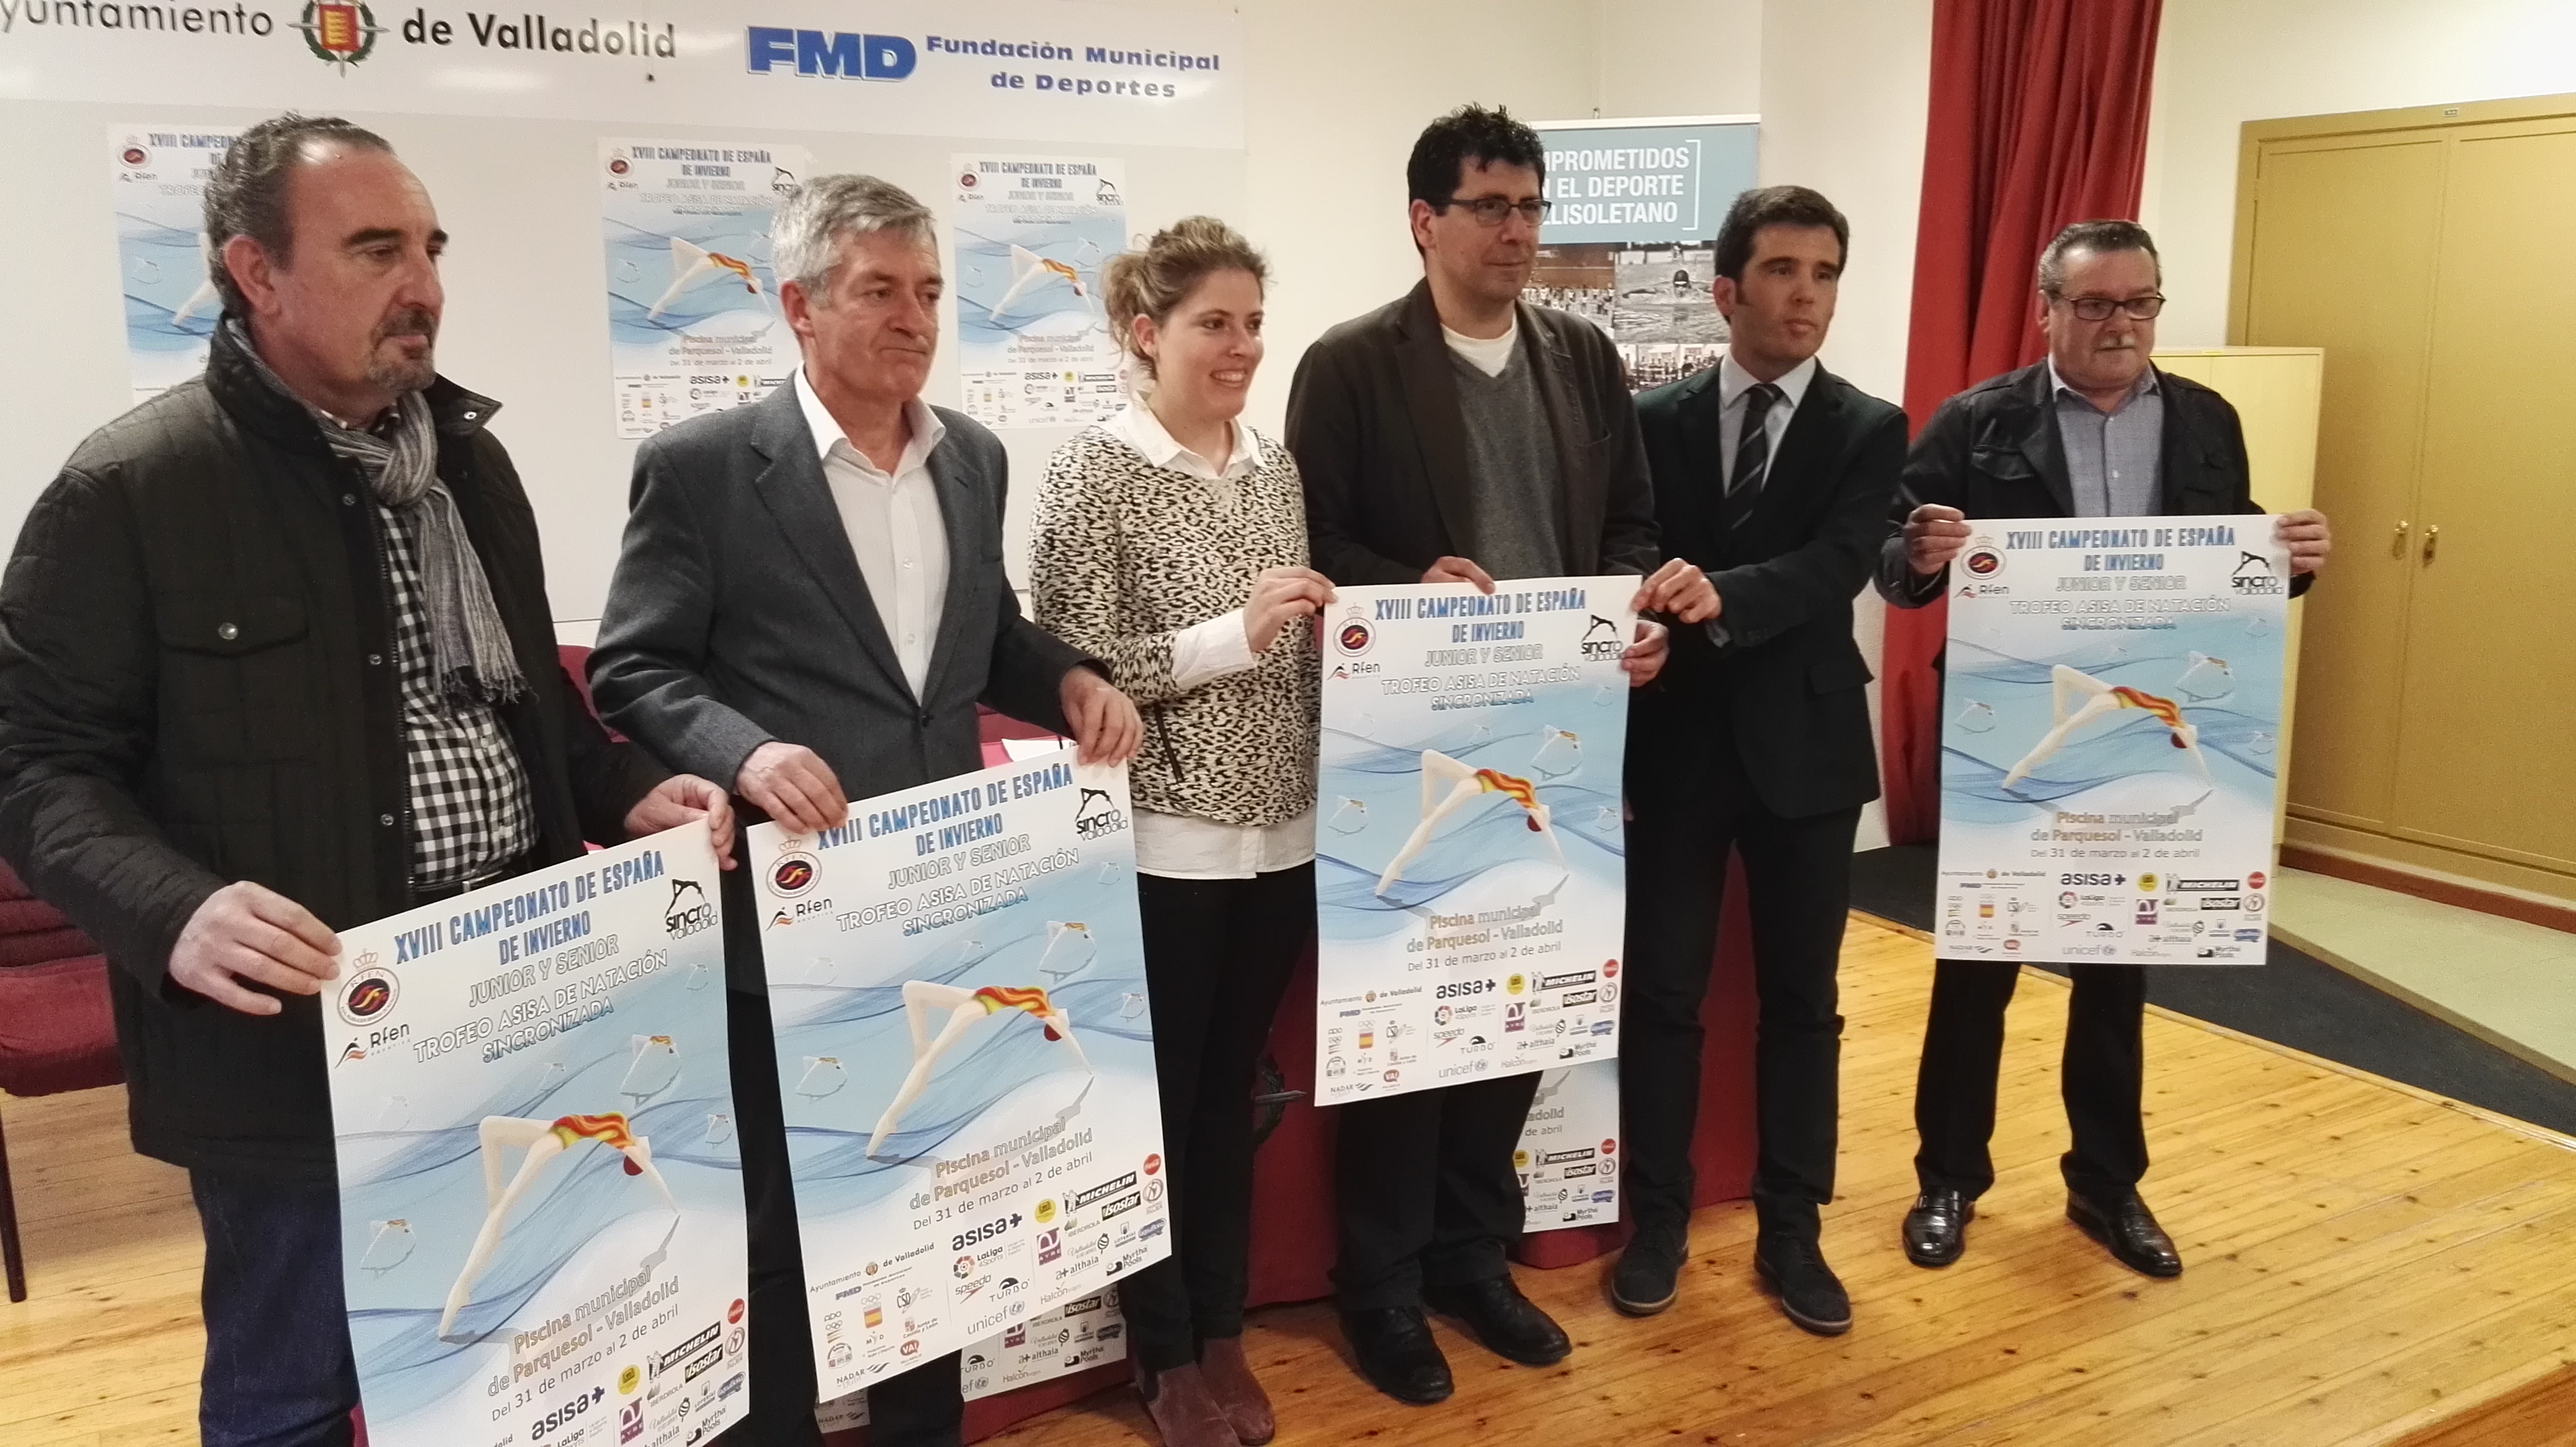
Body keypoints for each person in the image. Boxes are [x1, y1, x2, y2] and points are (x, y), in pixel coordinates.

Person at [0, 113, 733, 1447]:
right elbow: (35, 765)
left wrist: (626, 789)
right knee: (293, 1386)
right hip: (297, 1041)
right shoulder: (133, 489)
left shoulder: (471, 468)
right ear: (256, 273)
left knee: (519, 1341)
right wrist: (172, 909)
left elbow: (530, 714)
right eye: (377, 249)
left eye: (432, 249)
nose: (424, 285)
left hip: (515, 996)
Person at [588, 174, 1141, 1447]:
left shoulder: (973, 458)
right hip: (788, 917)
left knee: (929, 1197)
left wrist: (1066, 678)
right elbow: (634, 667)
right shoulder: (703, 469)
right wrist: (743, 752)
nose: (915, 319)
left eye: (930, 292)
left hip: (942, 905)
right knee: (783, 1223)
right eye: (880, 291)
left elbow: (982, 638)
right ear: (799, 306)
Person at [1284, 103, 1717, 1407]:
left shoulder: (1582, 358)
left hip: (1555, 743)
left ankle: (1473, 1258)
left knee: (1512, 1007)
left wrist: (1636, 618)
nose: (1518, 231)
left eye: (1531, 206)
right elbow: (1314, 542)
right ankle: (1380, 1285)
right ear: (1425, 221)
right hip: (1409, 750)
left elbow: (1629, 525)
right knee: (1411, 1027)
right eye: (1491, 207)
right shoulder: (1349, 365)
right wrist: (1403, 582)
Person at [1882, 218, 2334, 1280]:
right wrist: (1921, 553)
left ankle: (2106, 1183)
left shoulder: (2206, 419)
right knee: (1978, 965)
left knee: (2117, 963)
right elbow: (1895, 559)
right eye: (2093, 304)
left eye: (2139, 303)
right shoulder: (1978, 421)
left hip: (2142, 727)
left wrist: (2292, 557)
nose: (2119, 324)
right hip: (2013, 731)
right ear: (2047, 309)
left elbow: (2228, 556)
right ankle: (1948, 1179)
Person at [1029, 216, 1326, 1447]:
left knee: (1231, 1097)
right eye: (1214, 323)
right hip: (1165, 841)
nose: (1241, 345)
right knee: (1158, 1104)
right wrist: (1229, 636)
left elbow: (1297, 646)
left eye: (1253, 322)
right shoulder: (1093, 469)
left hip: (1284, 833)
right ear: (1145, 333)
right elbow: (1069, 666)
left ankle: (1218, 1325)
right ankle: (1162, 1352)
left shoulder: (1275, 465)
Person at [1613, 186, 1907, 1336]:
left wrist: (1718, 594)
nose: (1807, 295)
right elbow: (1631, 542)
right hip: (1677, 741)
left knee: (1802, 1004)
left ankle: (1794, 1229)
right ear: (1726, 289)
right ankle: (1657, 1221)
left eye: (1825, 273)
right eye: (1783, 270)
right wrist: (1643, 603)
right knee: (1664, 998)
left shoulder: (1868, 427)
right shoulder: (1653, 418)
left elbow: (1841, 561)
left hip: (1808, 750)